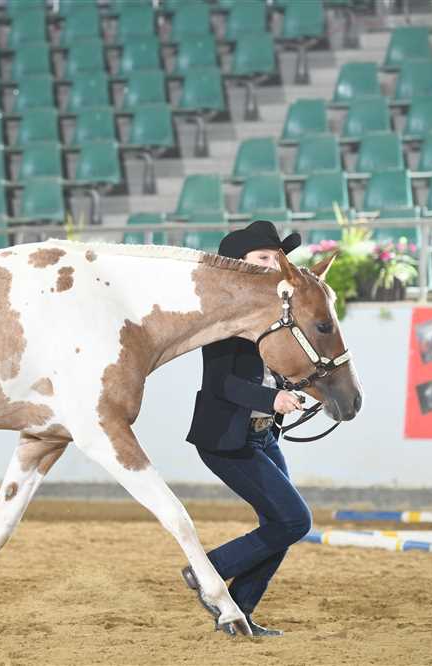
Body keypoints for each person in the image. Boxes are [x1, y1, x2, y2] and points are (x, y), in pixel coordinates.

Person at [181, 220, 313, 638]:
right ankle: (209, 570)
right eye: (263, 257)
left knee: (281, 525)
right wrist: (271, 400)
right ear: (239, 263)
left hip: (261, 434)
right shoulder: (222, 317)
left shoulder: (271, 313)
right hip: (226, 438)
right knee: (294, 521)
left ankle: (237, 614)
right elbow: (222, 384)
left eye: (276, 258)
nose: (272, 264)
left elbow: (268, 374)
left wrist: (291, 388)